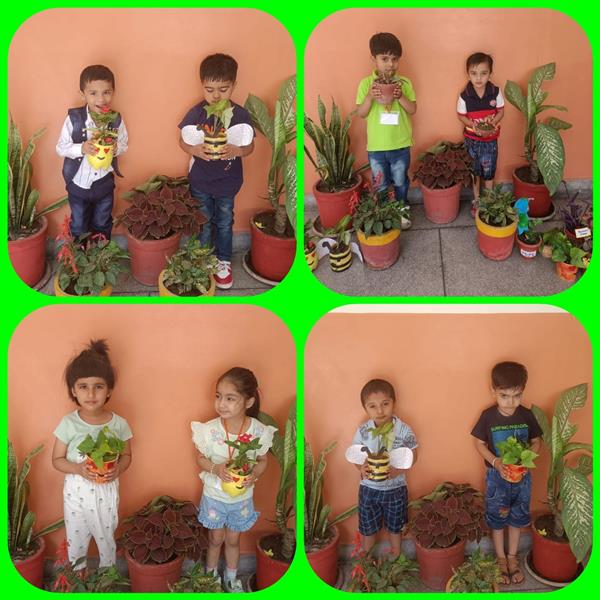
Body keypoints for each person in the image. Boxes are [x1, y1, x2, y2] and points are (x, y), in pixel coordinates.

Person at [191, 367, 277, 592]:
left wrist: (254, 474)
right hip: (214, 496)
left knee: (232, 540)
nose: (221, 404)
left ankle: (231, 578)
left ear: (249, 401)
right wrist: (216, 468)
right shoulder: (209, 430)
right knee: (215, 539)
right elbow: (200, 458)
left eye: (230, 398)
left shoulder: (258, 432)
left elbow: (262, 460)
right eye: (218, 396)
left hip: (241, 499)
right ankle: (210, 577)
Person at [52, 339, 132, 569]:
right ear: (73, 390)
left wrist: (118, 469)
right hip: (75, 494)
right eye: (83, 386)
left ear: (109, 390)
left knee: (107, 540)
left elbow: (127, 456)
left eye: (98, 386)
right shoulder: (68, 423)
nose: (90, 393)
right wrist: (77, 468)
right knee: (76, 542)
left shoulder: (119, 424)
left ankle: (107, 579)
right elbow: (56, 459)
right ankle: (78, 578)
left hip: (106, 493)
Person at [179, 54, 255, 290]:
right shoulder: (197, 113)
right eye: (209, 89)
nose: (215, 96)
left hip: (227, 182)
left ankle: (223, 260)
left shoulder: (241, 116)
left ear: (234, 85)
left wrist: (238, 150)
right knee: (203, 220)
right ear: (202, 85)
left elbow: (250, 146)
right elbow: (182, 141)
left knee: (224, 221)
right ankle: (201, 258)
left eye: (223, 89)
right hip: (200, 180)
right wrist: (193, 149)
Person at [471, 361, 542, 585]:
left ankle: (512, 557)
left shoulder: (527, 415)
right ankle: (500, 559)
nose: (510, 402)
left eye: (516, 396)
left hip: (522, 478)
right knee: (497, 519)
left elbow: (537, 441)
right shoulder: (488, 416)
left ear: (523, 392)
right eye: (504, 396)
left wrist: (527, 458)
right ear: (493, 390)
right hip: (496, 478)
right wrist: (495, 461)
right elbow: (478, 443)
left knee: (517, 518)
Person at [56, 65, 128, 239]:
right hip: (78, 185)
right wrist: (81, 148)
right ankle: (79, 253)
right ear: (83, 94)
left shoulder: (115, 119)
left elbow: (124, 143)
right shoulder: (74, 119)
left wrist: (116, 148)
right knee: (79, 224)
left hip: (104, 184)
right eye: (93, 93)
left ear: (113, 92)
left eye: (106, 92)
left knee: (103, 222)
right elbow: (60, 147)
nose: (101, 99)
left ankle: (101, 252)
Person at [347, 378, 418, 557]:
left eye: (385, 404)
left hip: (395, 489)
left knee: (395, 527)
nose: (380, 411)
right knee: (368, 528)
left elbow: (413, 454)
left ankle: (396, 555)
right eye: (372, 406)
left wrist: (399, 470)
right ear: (365, 408)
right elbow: (356, 454)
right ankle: (367, 557)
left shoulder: (403, 430)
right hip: (368, 490)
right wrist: (360, 468)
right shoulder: (363, 431)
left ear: (394, 402)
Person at [356, 33, 417, 229]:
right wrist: (369, 97)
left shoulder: (404, 83)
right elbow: (361, 113)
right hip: (376, 147)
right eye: (384, 59)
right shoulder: (366, 84)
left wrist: (401, 97)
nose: (390, 64)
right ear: (373, 58)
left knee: (400, 180)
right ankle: (383, 212)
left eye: (395, 59)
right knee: (380, 183)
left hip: (400, 144)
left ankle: (401, 208)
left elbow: (412, 109)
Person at [456, 52, 505, 216]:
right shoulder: (465, 96)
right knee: (475, 171)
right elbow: (461, 116)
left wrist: (493, 122)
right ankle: (477, 200)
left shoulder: (495, 92)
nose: (478, 78)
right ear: (468, 74)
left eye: (483, 73)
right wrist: (473, 125)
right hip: (472, 140)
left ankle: (489, 200)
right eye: (474, 73)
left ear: (490, 73)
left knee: (489, 171)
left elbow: (501, 111)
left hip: (491, 140)